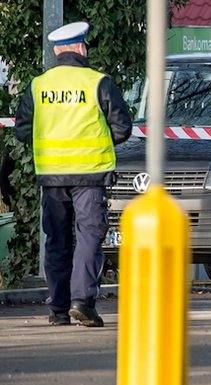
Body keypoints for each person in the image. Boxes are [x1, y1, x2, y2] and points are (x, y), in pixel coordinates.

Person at [14, 21, 132, 327]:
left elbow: (23, 130)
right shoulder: (98, 82)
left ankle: (58, 309)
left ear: (56, 51)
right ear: (81, 48)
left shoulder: (38, 85)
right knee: (89, 237)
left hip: (52, 176)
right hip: (90, 175)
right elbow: (122, 127)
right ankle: (83, 302)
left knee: (57, 240)